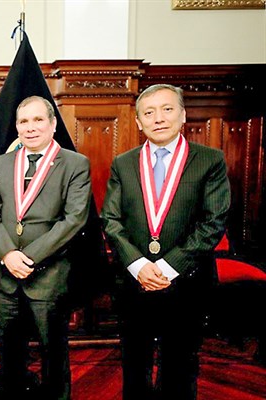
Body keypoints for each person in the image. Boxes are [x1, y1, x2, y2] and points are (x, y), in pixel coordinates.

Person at [101, 84, 230, 400]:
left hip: (187, 283)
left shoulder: (210, 160)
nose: (158, 118)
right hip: (134, 282)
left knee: (180, 367)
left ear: (183, 115)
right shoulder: (124, 163)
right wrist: (139, 264)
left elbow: (213, 222)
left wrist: (169, 267)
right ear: (138, 122)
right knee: (135, 366)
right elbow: (111, 220)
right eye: (149, 112)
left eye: (167, 109)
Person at [0, 95, 92, 399]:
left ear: (53, 124)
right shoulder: (3, 162)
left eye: (38, 119)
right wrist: (7, 254)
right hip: (6, 279)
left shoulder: (74, 163)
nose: (30, 128)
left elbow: (74, 220)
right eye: (23, 121)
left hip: (48, 278)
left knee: (53, 356)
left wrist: (26, 258)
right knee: (10, 357)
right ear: (16, 126)